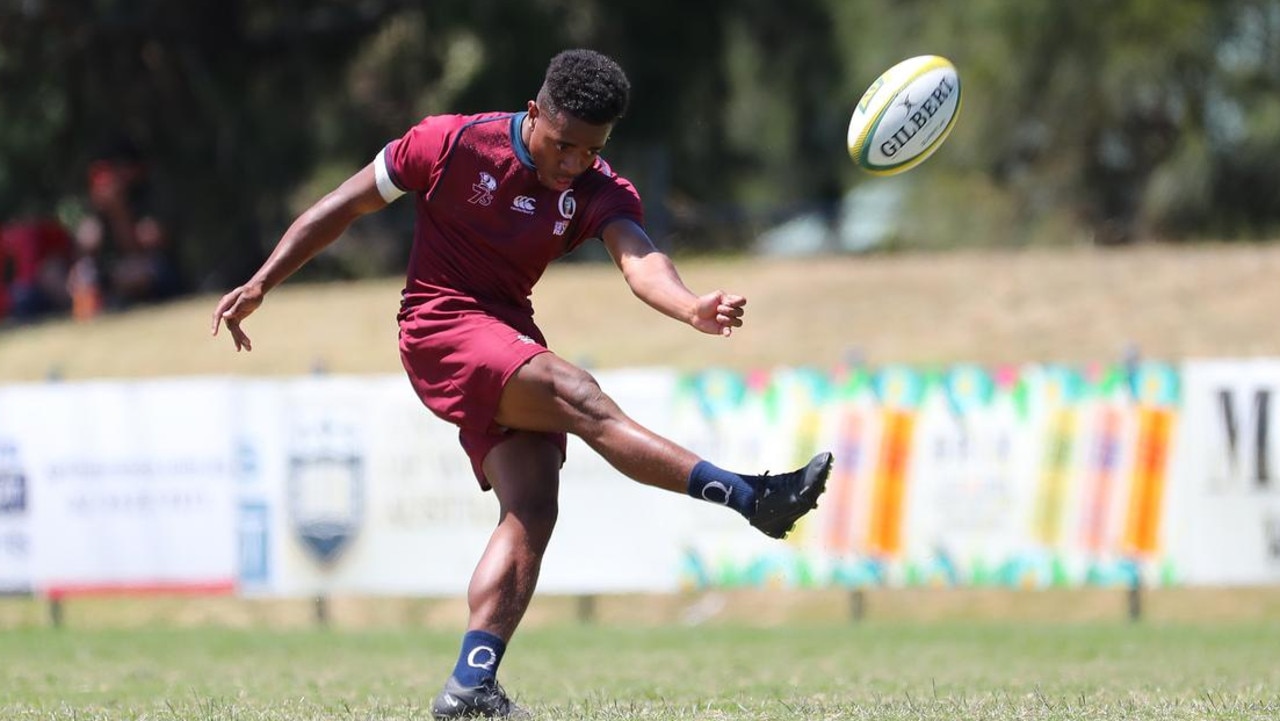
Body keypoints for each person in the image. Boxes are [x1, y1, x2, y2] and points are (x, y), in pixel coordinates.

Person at [211, 48, 833, 719]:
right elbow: (342, 206)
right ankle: (751, 496)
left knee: (533, 506)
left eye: (588, 151)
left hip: (508, 329)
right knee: (580, 395)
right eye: (562, 144)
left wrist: (689, 306)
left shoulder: (600, 187)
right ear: (533, 112)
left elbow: (640, 258)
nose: (571, 163)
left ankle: (469, 684)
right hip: (439, 326)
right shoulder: (449, 142)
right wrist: (262, 281)